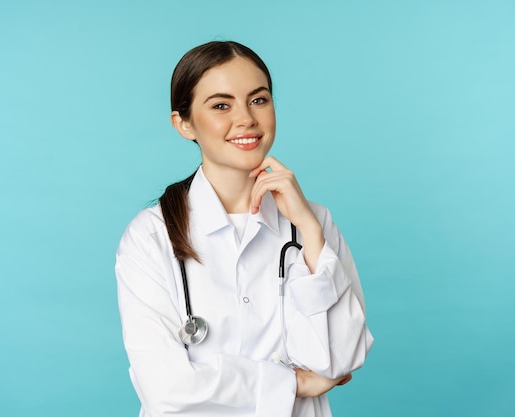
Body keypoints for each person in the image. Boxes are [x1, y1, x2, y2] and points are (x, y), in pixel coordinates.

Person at [115, 40, 373, 417]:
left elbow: (342, 357)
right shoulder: (150, 237)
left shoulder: (313, 224)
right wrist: (295, 383)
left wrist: (309, 231)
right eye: (221, 105)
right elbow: (167, 389)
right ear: (183, 123)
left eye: (259, 100)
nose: (247, 119)